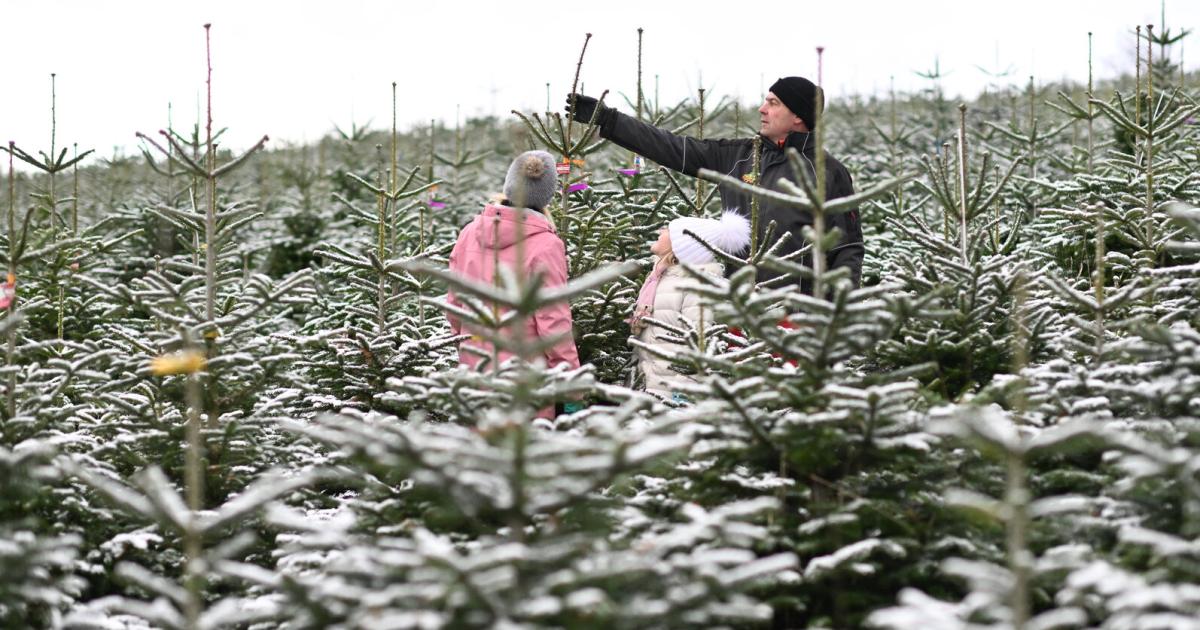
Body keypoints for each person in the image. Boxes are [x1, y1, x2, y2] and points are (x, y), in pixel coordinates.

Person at [566, 76, 862, 292]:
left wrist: (834, 317)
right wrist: (609, 120)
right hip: (736, 313)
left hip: (796, 321)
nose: (762, 109)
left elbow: (847, 248)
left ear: (798, 116)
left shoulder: (827, 172)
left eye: (773, 103)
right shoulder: (738, 156)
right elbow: (671, 147)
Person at [446, 150, 580, 380]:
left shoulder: (469, 232)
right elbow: (553, 321)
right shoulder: (547, 245)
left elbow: (455, 303)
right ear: (547, 196)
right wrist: (571, 380)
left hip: (474, 367)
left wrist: (462, 340)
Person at [630, 211, 751, 399]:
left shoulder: (695, 285)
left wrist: (682, 394)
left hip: (669, 393)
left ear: (682, 246)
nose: (661, 231)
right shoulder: (660, 277)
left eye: (668, 229)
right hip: (649, 383)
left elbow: (699, 343)